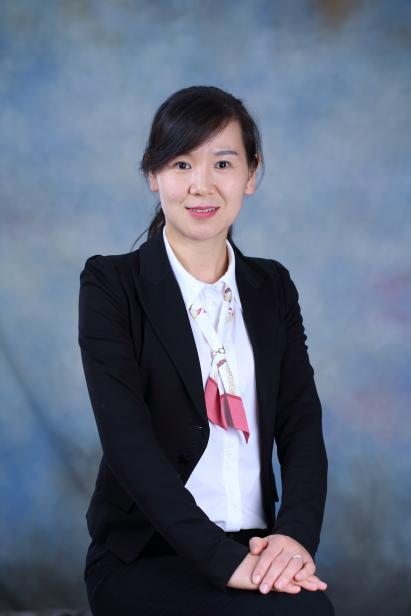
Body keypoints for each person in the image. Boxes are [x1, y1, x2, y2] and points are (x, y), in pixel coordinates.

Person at [78, 85, 335, 615]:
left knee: (311, 611)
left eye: (222, 163)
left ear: (251, 174)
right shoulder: (111, 284)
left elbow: (301, 423)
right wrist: (224, 563)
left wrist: (294, 538)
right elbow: (127, 443)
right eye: (180, 163)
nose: (202, 185)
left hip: (255, 544)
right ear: (153, 174)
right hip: (144, 555)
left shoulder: (272, 287)